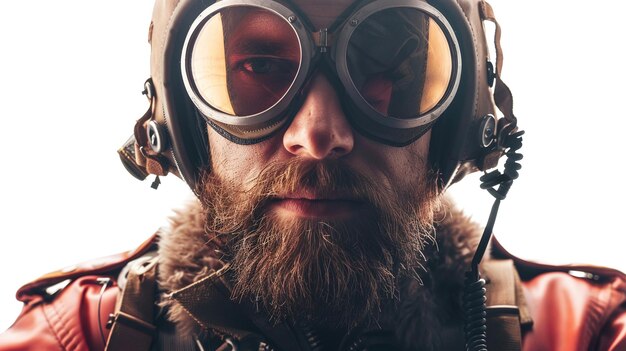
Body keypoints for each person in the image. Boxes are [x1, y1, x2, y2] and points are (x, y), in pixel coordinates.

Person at [1, 0, 625, 350]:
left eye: (388, 73)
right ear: (185, 120)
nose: (319, 134)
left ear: (460, 120)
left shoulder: (584, 333)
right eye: (262, 66)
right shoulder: (80, 337)